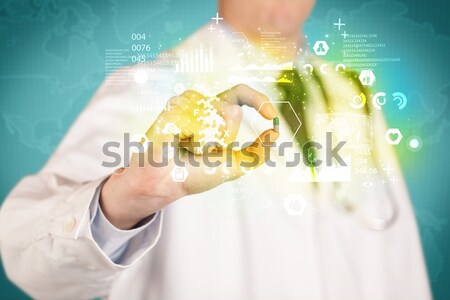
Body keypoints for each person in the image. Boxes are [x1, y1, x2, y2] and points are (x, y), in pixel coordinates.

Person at [0, 0, 431, 299]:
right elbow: (30, 260)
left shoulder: (351, 96)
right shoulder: (152, 89)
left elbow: (398, 258)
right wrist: (126, 199)